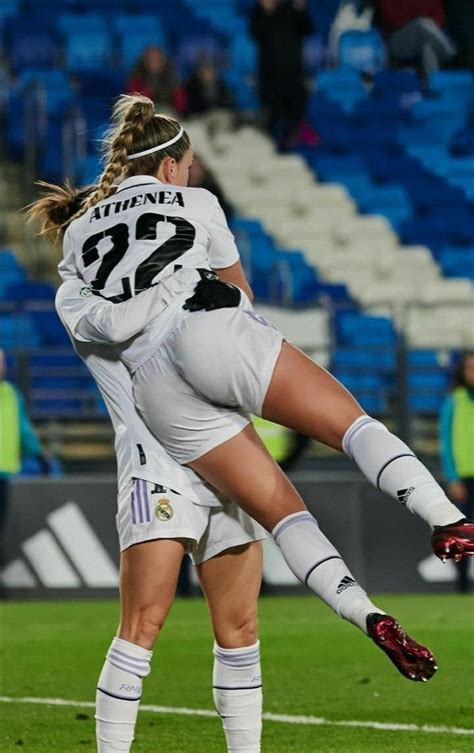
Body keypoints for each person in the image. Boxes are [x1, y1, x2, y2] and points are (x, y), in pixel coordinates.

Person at [28, 94, 474, 695]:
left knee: (283, 512)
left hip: (155, 391)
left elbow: (102, 321)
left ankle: (366, 612)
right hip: (207, 331)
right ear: (169, 166)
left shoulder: (78, 231)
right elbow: (239, 293)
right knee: (353, 427)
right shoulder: (196, 201)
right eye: (187, 165)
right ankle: (448, 521)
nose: (190, 174)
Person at [54, 278, 266, 753]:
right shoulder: (77, 291)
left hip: (227, 463)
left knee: (241, 628)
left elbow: (246, 341)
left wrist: (233, 301)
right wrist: (183, 280)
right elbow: (115, 324)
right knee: (144, 624)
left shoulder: (191, 275)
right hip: (158, 469)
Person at [0, 347, 49, 561]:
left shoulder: (11, 393)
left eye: (2, 362)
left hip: (3, 471)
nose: (1, 367)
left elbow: (23, 428)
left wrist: (39, 454)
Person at [249, 0, 315, 150]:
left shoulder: (293, 9)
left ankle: (291, 148)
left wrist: (300, 10)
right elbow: (255, 33)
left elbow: (308, 29)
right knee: (271, 118)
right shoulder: (260, 10)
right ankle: (268, 149)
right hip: (270, 76)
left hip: (293, 75)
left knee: (294, 117)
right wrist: (266, 11)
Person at [439, 351, 474, 593]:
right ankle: (462, 586)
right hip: (464, 477)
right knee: (464, 534)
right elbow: (446, 442)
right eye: (470, 368)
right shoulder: (454, 400)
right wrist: (452, 477)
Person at [365, 0, 456, 77]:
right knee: (422, 24)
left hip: (426, 34)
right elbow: (392, 21)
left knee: (428, 44)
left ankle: (433, 84)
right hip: (396, 41)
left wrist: (418, 17)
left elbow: (440, 18)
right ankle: (450, 51)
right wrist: (417, 18)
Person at [127, 46, 185, 114]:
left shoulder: (172, 79)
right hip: (144, 117)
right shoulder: (137, 80)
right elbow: (134, 104)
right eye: (150, 60)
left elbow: (181, 105)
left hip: (169, 115)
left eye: (157, 60)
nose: (154, 63)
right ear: (144, 61)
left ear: (163, 61)